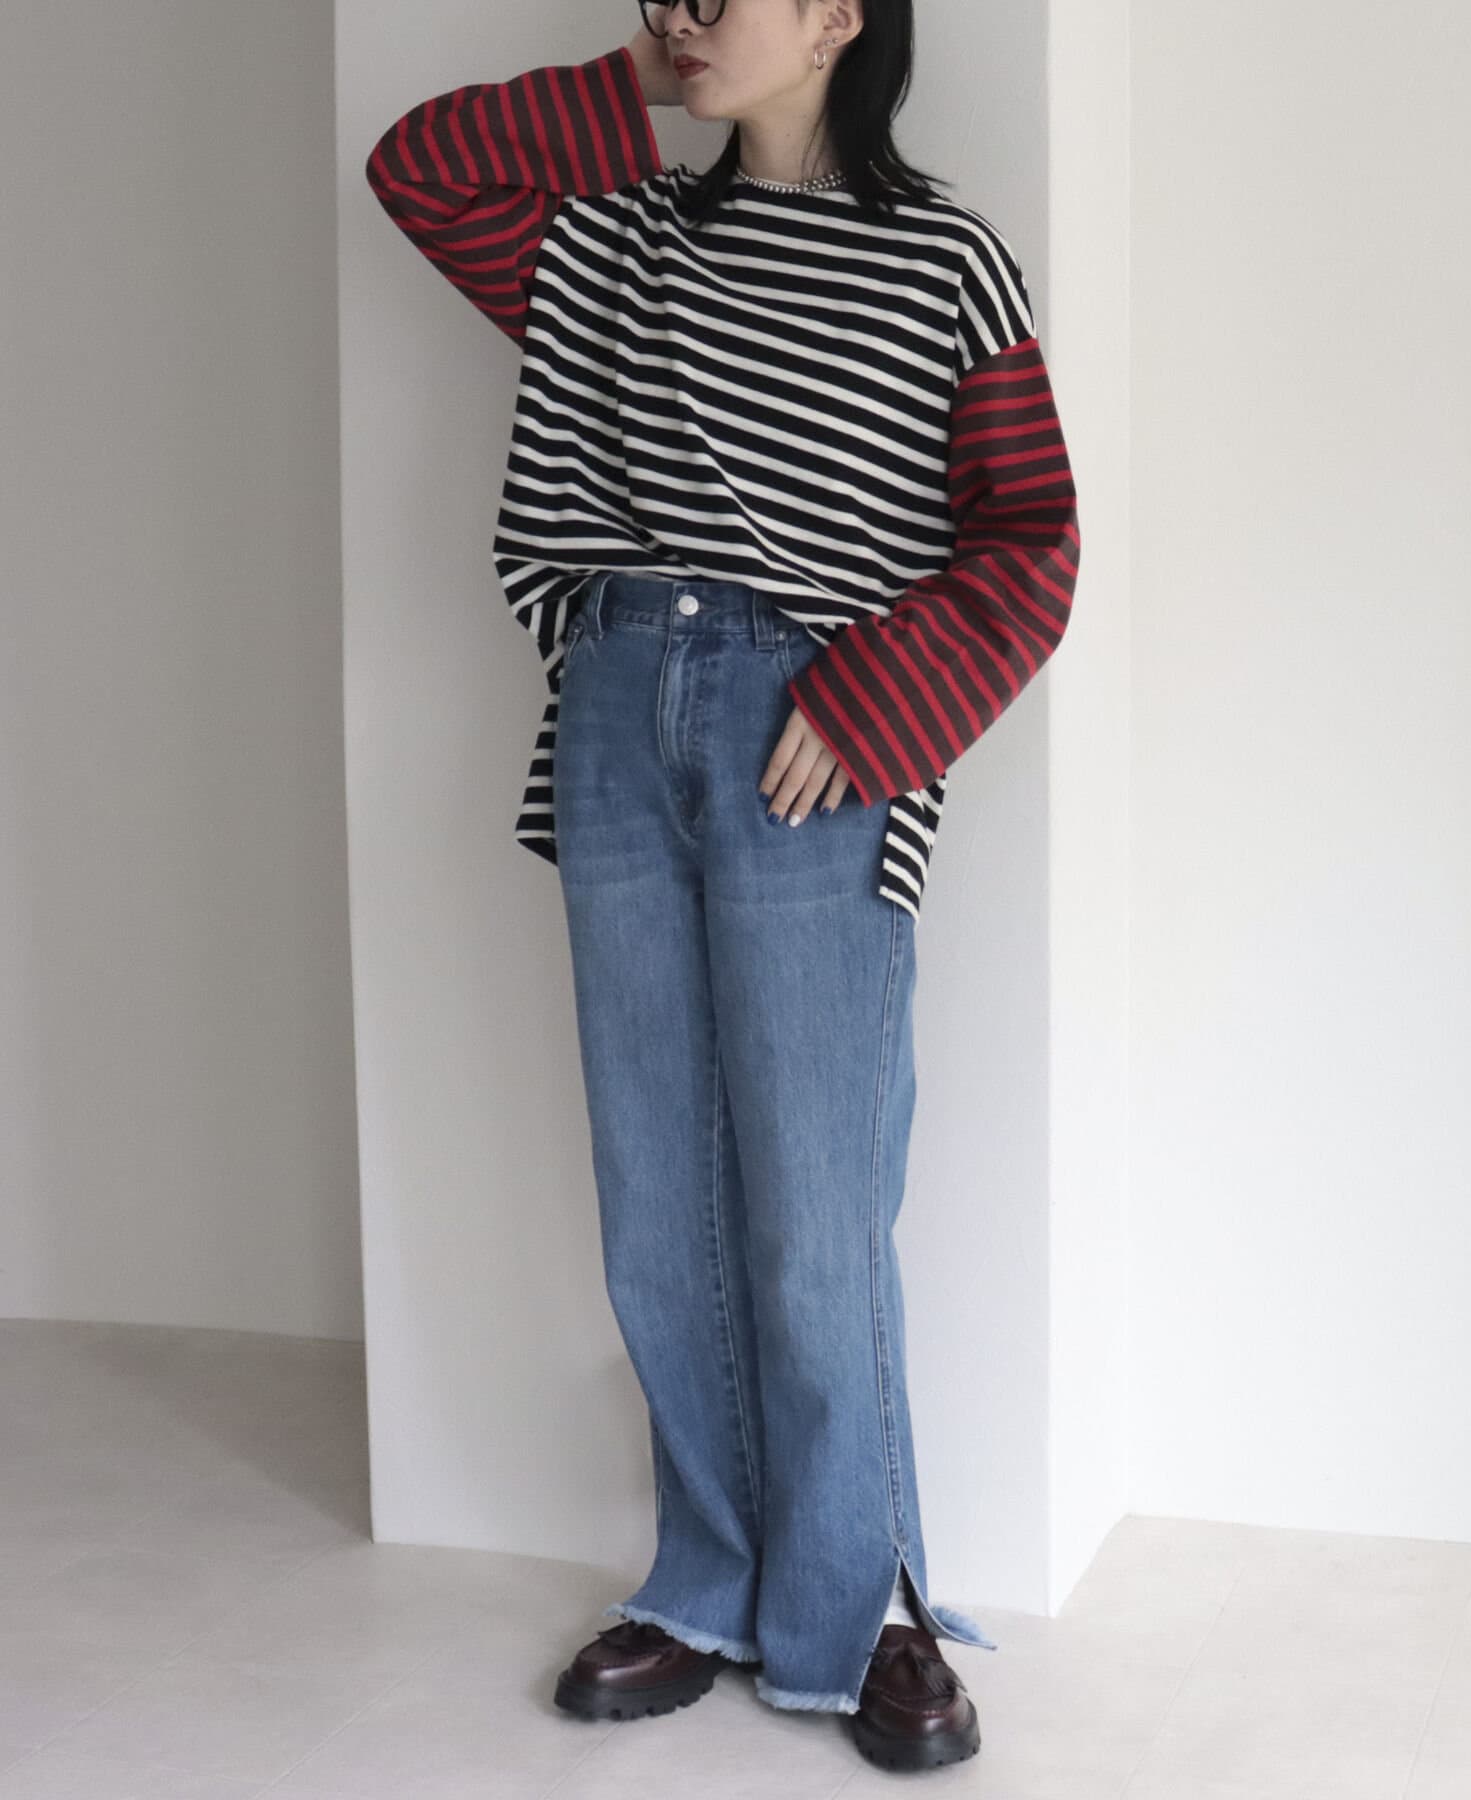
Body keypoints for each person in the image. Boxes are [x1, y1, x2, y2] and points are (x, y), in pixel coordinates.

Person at [366, 0, 1080, 1774]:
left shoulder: (943, 260)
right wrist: (643, 79)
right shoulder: (615, 235)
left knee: (812, 1211)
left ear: (840, 15)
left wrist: (870, 701)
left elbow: (1030, 539)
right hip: (617, 710)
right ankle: (704, 1583)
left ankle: (861, 1606)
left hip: (812, 730)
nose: (683, 12)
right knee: (657, 1197)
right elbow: (421, 168)